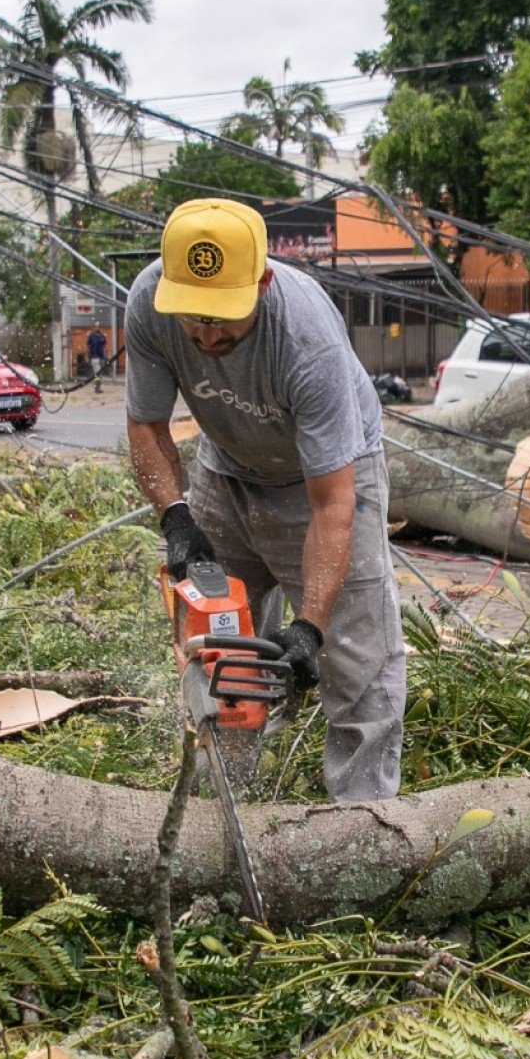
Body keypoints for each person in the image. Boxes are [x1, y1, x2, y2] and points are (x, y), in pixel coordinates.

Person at [124, 198, 404, 802]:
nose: (205, 332)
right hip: (225, 472)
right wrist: (176, 516)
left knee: (355, 666)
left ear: (262, 280)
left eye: (223, 316)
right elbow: (146, 425)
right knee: (219, 647)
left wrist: (309, 629)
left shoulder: (307, 342)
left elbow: (333, 504)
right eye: (193, 317)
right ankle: (225, 800)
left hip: (327, 479)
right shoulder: (149, 303)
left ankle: (365, 824)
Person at [85, 324, 109, 393]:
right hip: (94, 357)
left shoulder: (102, 336)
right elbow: (88, 346)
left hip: (101, 357)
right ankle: (97, 389)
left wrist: (106, 354)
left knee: (99, 374)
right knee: (97, 373)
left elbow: (104, 346)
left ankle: (98, 388)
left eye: (98, 326)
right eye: (95, 326)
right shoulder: (91, 337)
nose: (97, 328)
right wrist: (87, 355)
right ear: (94, 328)